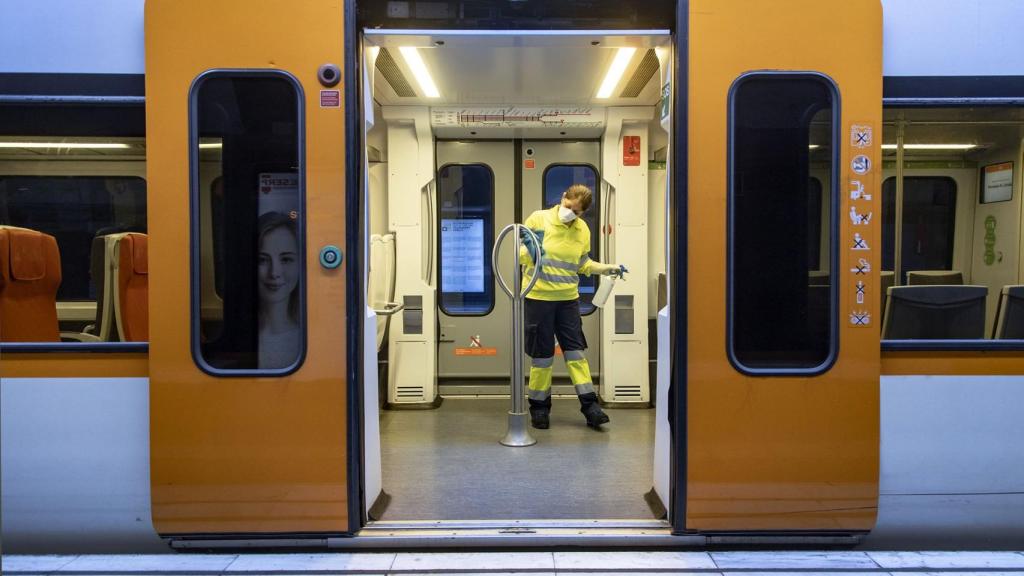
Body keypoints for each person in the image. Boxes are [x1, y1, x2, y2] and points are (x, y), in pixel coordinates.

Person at [519, 184, 627, 430]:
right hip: (539, 299)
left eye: (577, 212)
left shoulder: (582, 230)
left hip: (568, 300)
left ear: (583, 214)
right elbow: (520, 255)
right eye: (569, 207)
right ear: (562, 198)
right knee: (543, 357)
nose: (571, 213)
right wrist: (533, 253)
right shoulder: (539, 218)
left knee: (576, 354)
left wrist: (608, 268)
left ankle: (590, 406)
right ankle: (539, 408)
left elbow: (582, 263)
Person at [256, 211, 300, 369]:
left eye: (286, 259)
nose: (274, 273)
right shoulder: (235, 339)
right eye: (262, 260)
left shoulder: (316, 337)